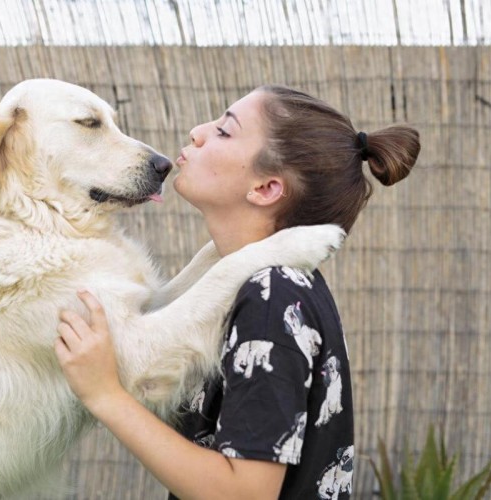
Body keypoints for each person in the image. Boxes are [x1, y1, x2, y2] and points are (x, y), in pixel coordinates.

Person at [54, 85, 420, 499]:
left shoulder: (271, 295)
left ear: (265, 188)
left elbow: (245, 492)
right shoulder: (268, 281)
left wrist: (105, 396)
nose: (197, 132)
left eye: (225, 131)